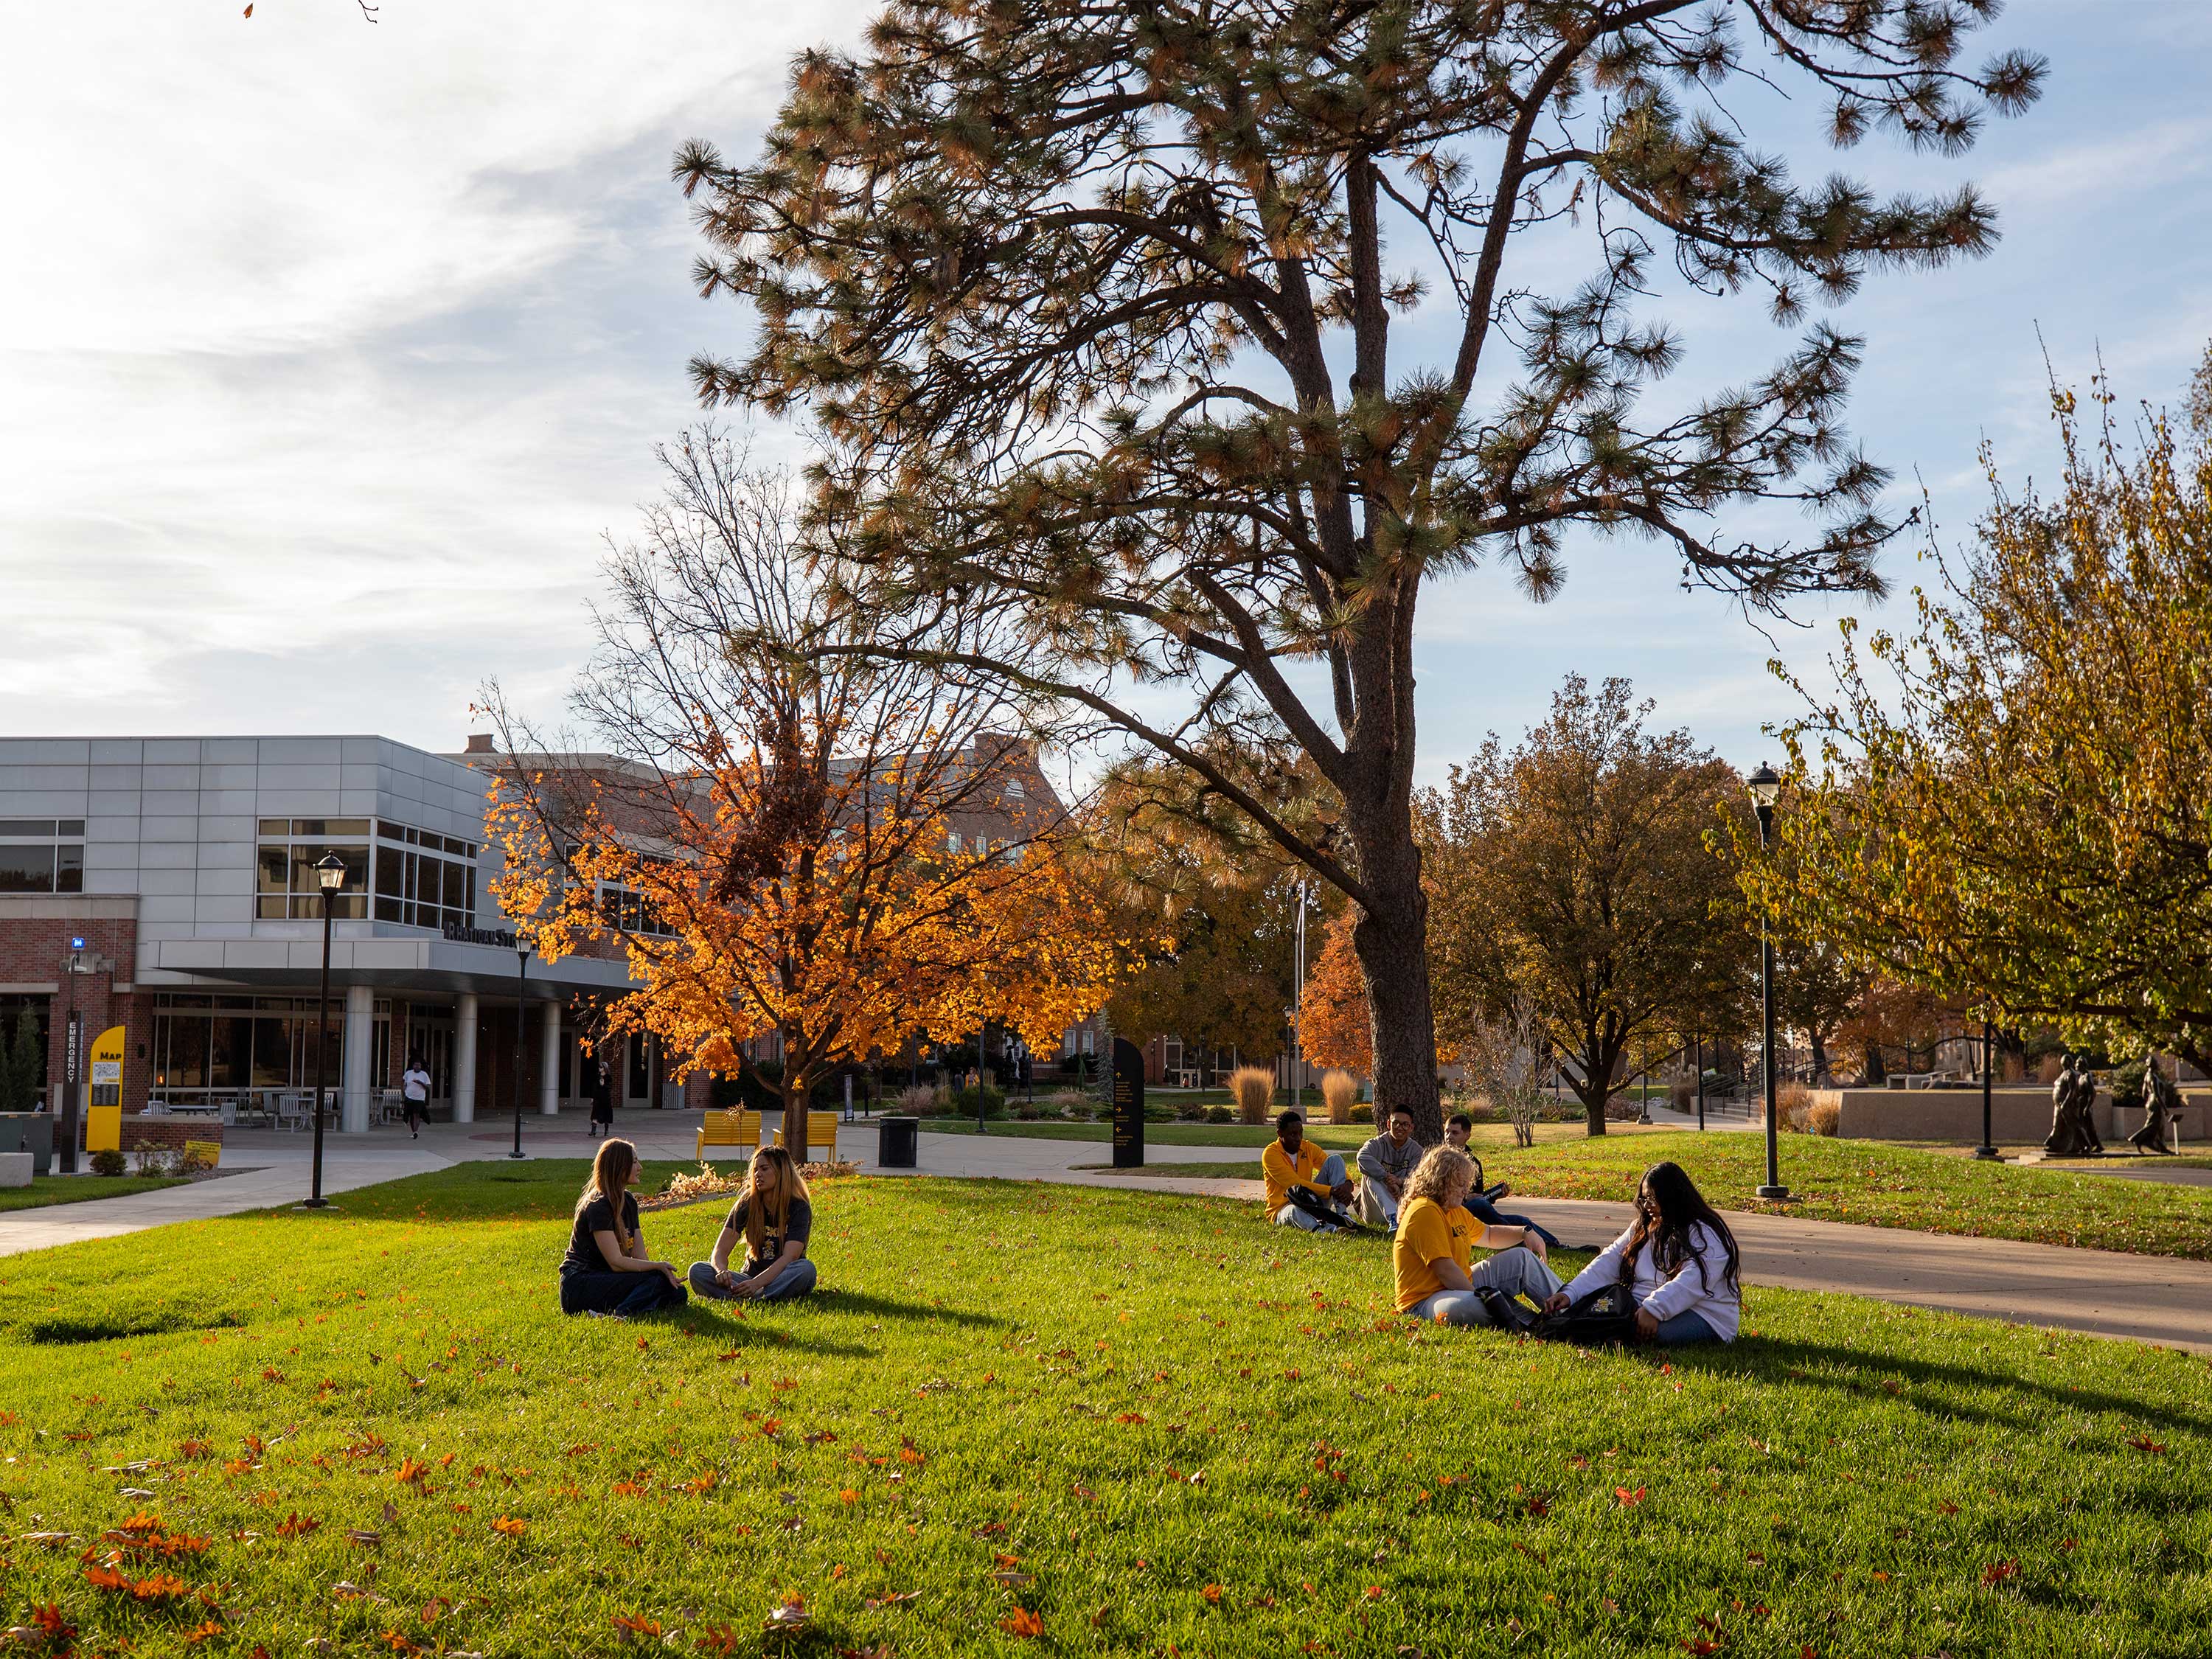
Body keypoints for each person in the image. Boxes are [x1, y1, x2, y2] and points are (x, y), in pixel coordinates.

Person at [1543, 1161, 1741, 1343]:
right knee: (1603, 1318)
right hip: (1643, 1306)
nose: (1647, 1207)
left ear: (1673, 1198)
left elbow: (1693, 1280)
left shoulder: (1705, 1232)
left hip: (1704, 1314)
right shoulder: (1641, 1228)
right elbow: (1609, 1260)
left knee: (1631, 1330)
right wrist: (1571, 1293)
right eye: (1644, 1199)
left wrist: (1654, 1309)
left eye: (1654, 1199)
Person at [1393, 1145, 1562, 1326]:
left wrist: (1524, 1232)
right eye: (1460, 1184)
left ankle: (1574, 1308)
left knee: (1522, 1258)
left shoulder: (1455, 1210)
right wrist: (1484, 1297)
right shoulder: (1424, 1210)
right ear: (1440, 1181)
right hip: (1424, 1301)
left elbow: (1488, 1235)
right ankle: (1540, 1326)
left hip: (1460, 1285)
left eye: (1467, 1184)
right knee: (1473, 1305)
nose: (1466, 1190)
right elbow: (1445, 1271)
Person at [557, 1138, 687, 1316]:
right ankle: (622, 1313)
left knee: (677, 1292)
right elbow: (616, 1262)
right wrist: (658, 1268)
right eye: (634, 1162)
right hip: (580, 1283)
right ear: (619, 1166)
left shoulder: (629, 1202)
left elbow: (640, 1257)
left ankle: (623, 1308)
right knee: (657, 1282)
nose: (640, 1167)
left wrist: (661, 1273)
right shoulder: (598, 1206)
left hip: (608, 1278)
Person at [689, 1146, 818, 1302]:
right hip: (749, 1276)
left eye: (764, 1169)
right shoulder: (748, 1202)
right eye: (756, 1170)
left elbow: (790, 1257)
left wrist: (757, 1284)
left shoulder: (799, 1207)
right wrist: (721, 1271)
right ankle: (756, 1297)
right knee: (697, 1270)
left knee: (806, 1270)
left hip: (782, 1276)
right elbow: (720, 1250)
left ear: (781, 1171)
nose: (758, 1174)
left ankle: (750, 1297)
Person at [1441, 1110, 1562, 1248]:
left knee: (1522, 1220)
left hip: (1473, 1215)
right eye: (1447, 1132)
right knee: (1480, 1205)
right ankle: (1517, 1239)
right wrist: (1466, 1199)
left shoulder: (1473, 1163)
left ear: (1467, 1136)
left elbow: (1480, 1198)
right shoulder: (1440, 1161)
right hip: (1452, 1214)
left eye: (1455, 1133)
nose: (1449, 1137)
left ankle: (1556, 1245)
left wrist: (1494, 1195)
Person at [1261, 1110, 1356, 1230]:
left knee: (1335, 1160)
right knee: (1294, 1211)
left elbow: (1333, 1166)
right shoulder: (1270, 1154)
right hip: (1282, 1208)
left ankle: (1343, 1215)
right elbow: (1295, 1185)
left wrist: (1348, 1184)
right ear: (1281, 1133)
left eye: (1301, 1133)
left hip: (1310, 1201)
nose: (1298, 1138)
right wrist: (1332, 1191)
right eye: (1293, 1134)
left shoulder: (1308, 1148)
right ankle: (1328, 1230)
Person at [1355, 1105, 1424, 1227]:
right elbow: (1362, 1158)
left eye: (1405, 1124)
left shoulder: (1416, 1151)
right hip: (1374, 1210)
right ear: (1388, 1124)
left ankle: (1395, 1216)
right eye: (1395, 1123)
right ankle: (1392, 1217)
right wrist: (1386, 1178)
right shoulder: (1377, 1144)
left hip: (1401, 1204)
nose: (1399, 1128)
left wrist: (1399, 1182)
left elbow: (1415, 1179)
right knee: (1369, 1175)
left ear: (1411, 1128)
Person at [399, 1051, 431, 1141]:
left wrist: (420, 1082)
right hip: (409, 1097)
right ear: (413, 1066)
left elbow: (428, 1088)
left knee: (416, 1114)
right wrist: (404, 1090)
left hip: (419, 1098)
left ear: (421, 1066)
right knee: (409, 1115)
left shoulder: (424, 1075)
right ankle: (413, 1132)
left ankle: (416, 1131)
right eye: (416, 1065)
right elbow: (404, 1082)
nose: (417, 1067)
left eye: (419, 1065)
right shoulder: (409, 1073)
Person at [588, 1054, 616, 1139]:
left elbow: (610, 1088)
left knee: (606, 1114)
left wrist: (603, 1085)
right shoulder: (597, 1077)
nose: (599, 1068)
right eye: (599, 1067)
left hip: (605, 1098)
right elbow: (594, 1088)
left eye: (601, 1067)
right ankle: (593, 1131)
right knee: (595, 1114)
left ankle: (606, 1130)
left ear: (604, 1068)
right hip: (597, 1098)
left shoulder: (608, 1077)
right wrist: (593, 1097)